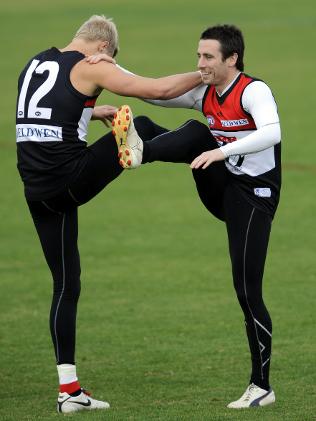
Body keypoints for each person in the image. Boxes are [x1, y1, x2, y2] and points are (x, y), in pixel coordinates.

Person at [15, 14, 202, 414]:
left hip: (38, 191)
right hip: (68, 179)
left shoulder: (35, 63)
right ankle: (201, 157)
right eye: (111, 60)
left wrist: (92, 112)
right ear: (102, 49)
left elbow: (46, 115)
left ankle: (70, 392)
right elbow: (159, 88)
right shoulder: (91, 65)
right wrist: (207, 73)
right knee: (144, 124)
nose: (109, 67)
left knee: (67, 283)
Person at [111, 24, 281, 409]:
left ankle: (262, 386)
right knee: (160, 125)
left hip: (254, 198)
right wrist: (109, 68)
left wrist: (222, 152)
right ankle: (140, 145)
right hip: (222, 189)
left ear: (232, 59)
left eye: (208, 57)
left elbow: (272, 132)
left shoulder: (253, 90)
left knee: (246, 291)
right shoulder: (205, 92)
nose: (200, 64)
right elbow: (153, 91)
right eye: (198, 56)